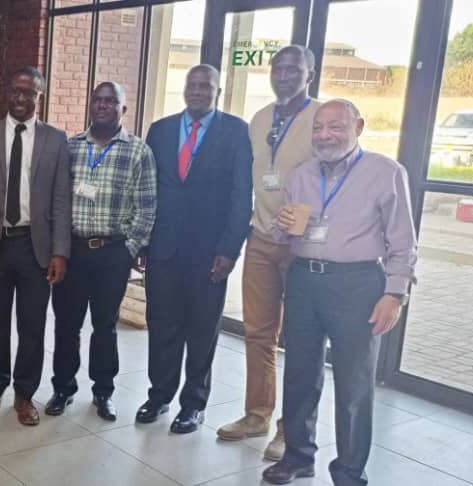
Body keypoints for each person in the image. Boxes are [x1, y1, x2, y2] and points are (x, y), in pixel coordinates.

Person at [262, 99, 417, 486]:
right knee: (299, 374)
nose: (325, 135)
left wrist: (394, 294)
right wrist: (281, 226)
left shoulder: (385, 173)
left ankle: (349, 471)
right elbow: (286, 233)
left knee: (353, 384)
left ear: (358, 126)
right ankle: (298, 456)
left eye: (335, 126)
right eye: (318, 128)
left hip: (358, 284)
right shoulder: (300, 175)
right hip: (303, 280)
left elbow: (403, 241)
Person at [218, 45, 322, 461]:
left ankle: (289, 430)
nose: (283, 75)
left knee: (300, 338)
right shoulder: (260, 119)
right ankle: (257, 414)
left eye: (293, 69)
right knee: (259, 332)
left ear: (309, 74)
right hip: (260, 240)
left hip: (303, 246)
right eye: (277, 68)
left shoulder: (320, 118)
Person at [137, 65, 253, 434]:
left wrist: (229, 249)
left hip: (210, 252)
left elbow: (241, 195)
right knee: (162, 324)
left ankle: (193, 404)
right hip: (163, 247)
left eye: (207, 86)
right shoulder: (162, 129)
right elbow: (147, 189)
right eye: (193, 85)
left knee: (202, 329)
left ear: (218, 92)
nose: (198, 91)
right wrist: (143, 240)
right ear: (184, 89)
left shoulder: (236, 131)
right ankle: (159, 395)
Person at [0, 66, 72, 426]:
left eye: (30, 93)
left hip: (35, 247)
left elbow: (60, 200)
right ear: (8, 92)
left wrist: (60, 252)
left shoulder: (56, 140)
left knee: (32, 326)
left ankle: (25, 395)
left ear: (40, 97)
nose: (21, 98)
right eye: (16, 91)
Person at [45, 82, 156, 421]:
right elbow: (56, 200)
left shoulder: (138, 151)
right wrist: (57, 249)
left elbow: (147, 207)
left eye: (111, 101)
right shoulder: (71, 147)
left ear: (124, 110)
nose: (103, 105)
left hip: (111, 253)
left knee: (105, 326)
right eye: (98, 99)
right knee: (66, 325)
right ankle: (62, 389)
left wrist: (129, 249)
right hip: (72, 251)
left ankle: (103, 392)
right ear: (90, 105)